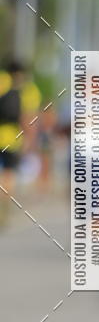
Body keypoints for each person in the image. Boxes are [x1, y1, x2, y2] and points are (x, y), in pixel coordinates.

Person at [0, 60, 41, 227]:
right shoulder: (28, 90)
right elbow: (28, 118)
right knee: (8, 175)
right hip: (12, 138)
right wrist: (30, 141)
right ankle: (4, 209)